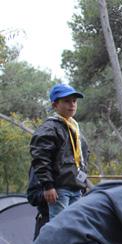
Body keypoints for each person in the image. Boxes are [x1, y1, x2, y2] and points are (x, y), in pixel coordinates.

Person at [30, 83, 89, 220]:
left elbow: (83, 159)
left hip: (76, 187)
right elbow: (40, 158)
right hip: (59, 189)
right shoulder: (50, 128)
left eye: (74, 101)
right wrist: (48, 186)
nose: (72, 105)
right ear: (55, 105)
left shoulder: (74, 128)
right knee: (60, 227)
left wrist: (83, 183)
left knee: (75, 226)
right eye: (66, 101)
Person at [26, 167, 49, 240]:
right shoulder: (40, 163)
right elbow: (32, 196)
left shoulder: (79, 160)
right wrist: (47, 195)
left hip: (72, 224)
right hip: (46, 222)